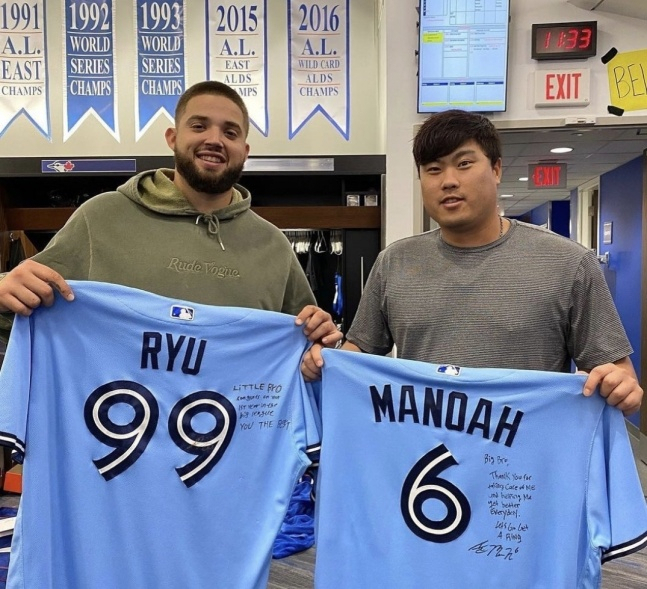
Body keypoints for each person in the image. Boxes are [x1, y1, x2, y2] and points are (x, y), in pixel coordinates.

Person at [302, 109, 642, 416]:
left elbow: (618, 371)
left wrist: (621, 386)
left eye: (464, 164)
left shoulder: (568, 263)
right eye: (433, 169)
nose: (448, 180)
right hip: (422, 456)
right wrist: (326, 358)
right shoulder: (394, 262)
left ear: (496, 169)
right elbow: (358, 355)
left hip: (523, 459)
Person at [0, 81, 340, 350]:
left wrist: (319, 342)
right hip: (112, 417)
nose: (215, 140)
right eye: (199, 126)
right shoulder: (100, 218)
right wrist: (4, 292)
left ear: (245, 151)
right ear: (173, 138)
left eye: (230, 132)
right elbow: (17, 319)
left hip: (227, 419)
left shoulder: (274, 247)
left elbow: (304, 353)